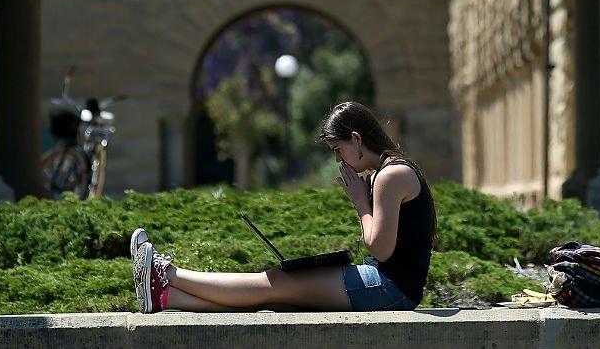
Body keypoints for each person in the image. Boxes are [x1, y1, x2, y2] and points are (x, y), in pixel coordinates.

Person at [130, 101, 438, 312]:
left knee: (277, 282)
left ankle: (167, 273)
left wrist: (360, 202)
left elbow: (381, 249)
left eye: (337, 149)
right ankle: (167, 297)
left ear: (356, 140)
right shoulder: (385, 172)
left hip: (391, 290)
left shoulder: (391, 175)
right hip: (386, 283)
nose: (337, 159)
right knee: (281, 298)